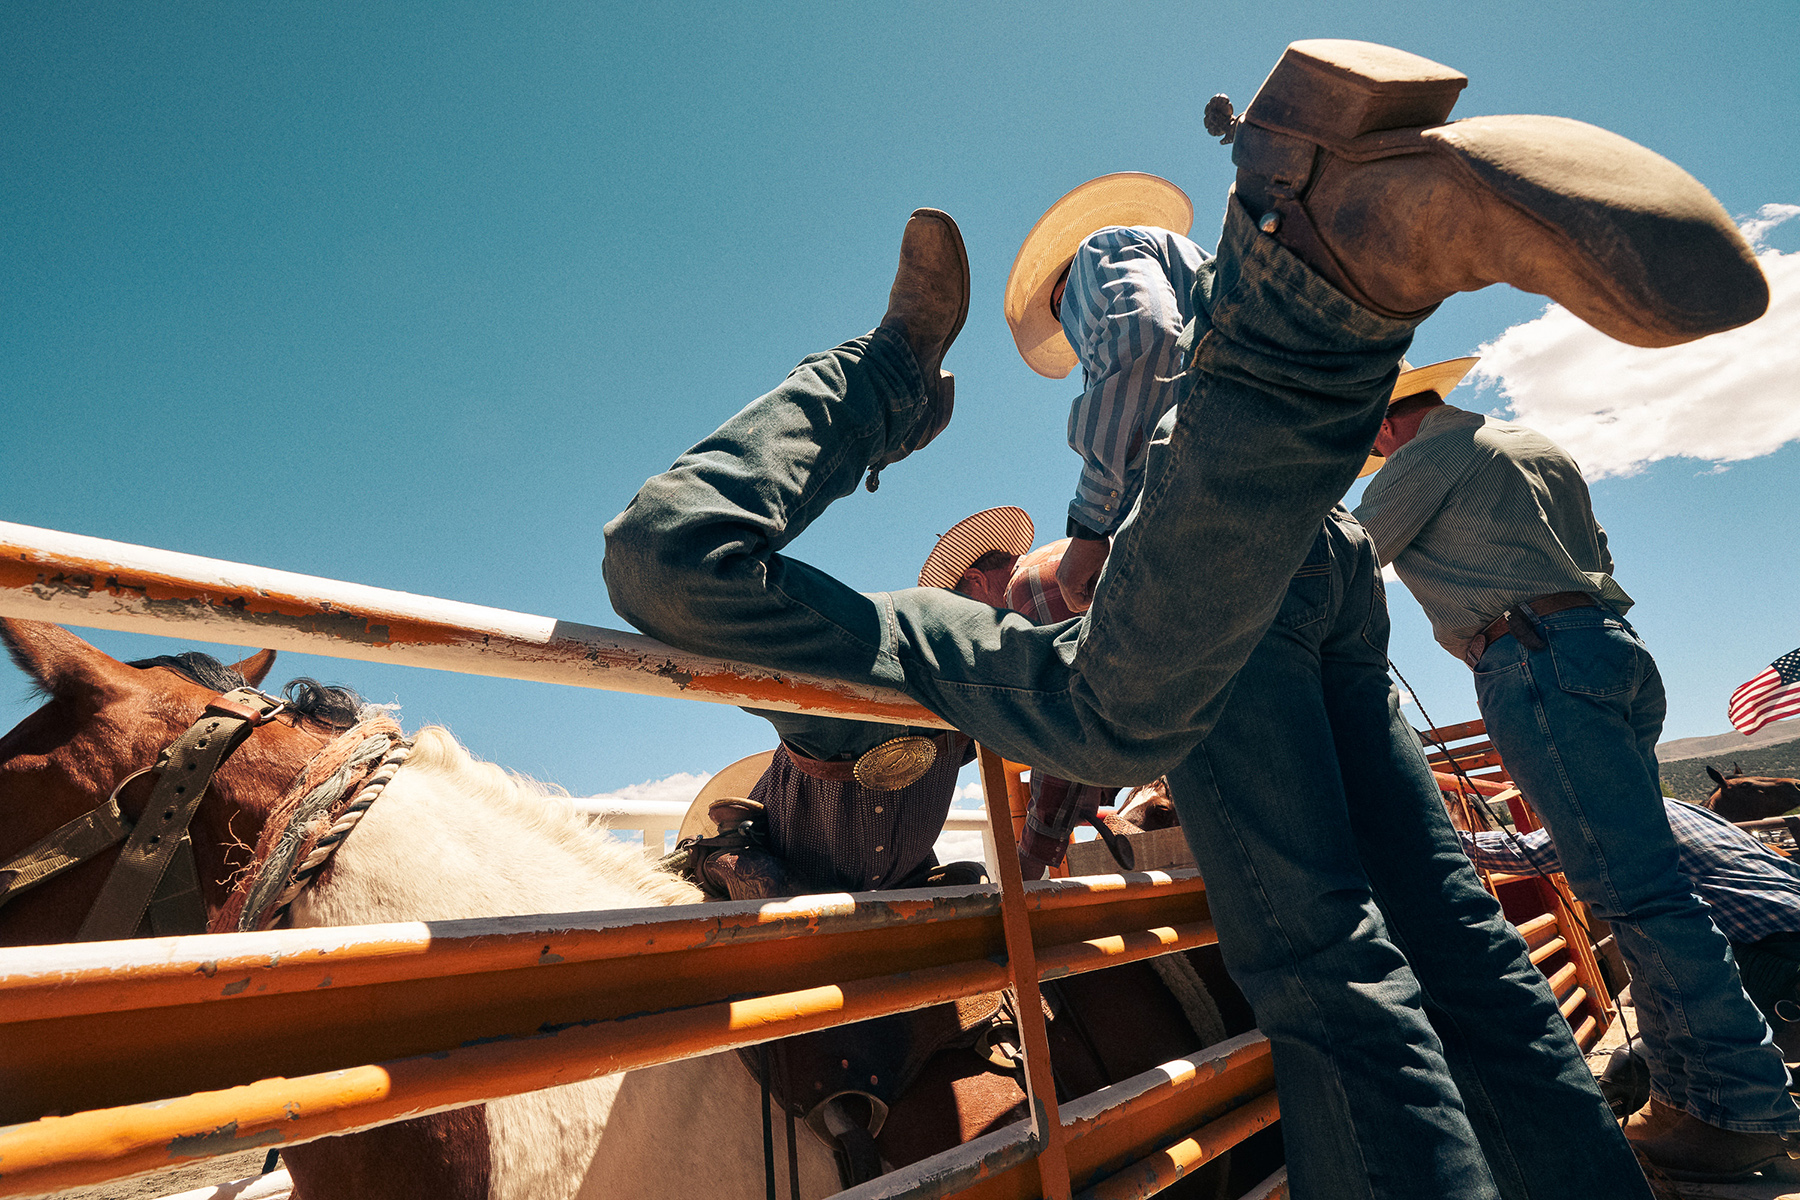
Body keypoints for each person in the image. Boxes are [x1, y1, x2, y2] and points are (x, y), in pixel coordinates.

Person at [604, 38, 1769, 1199]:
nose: (1003, 575)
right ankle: (1318, 265)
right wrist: (1052, 818)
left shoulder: (1105, 277)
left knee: (1328, 967)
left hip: (1210, 581)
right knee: (1451, 936)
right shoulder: (1014, 629)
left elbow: (1141, 366)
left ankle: (1266, 292)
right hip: (1313, 561)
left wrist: (1095, 540)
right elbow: (1091, 700)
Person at [1354, 373, 1800, 1180]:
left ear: (1389, 421)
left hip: (1534, 658)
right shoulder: (1535, 446)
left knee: (1637, 895)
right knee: (1643, 884)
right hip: (1606, 646)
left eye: (1372, 434)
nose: (1373, 449)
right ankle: (1692, 1103)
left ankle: (1743, 1107)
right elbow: (1602, 555)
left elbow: (1345, 555)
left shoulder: (1425, 457)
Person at [686, 506, 1034, 899]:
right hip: (796, 855)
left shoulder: (989, 688)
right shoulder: (931, 665)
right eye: (1015, 577)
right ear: (976, 582)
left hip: (880, 871)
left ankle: (738, 858)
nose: (1028, 593)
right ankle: (723, 857)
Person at [1457, 796, 1800, 1135]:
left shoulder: (1601, 810)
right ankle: (1682, 1109)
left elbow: (1520, 853)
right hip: (1783, 938)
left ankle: (1740, 1123)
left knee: (1659, 996)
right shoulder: (1668, 803)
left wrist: (1441, 835)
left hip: (1777, 961)